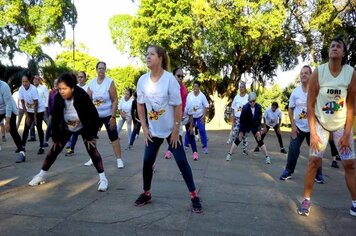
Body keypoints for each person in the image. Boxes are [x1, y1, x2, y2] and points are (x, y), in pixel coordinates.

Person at [134, 45, 202, 213]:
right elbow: (139, 104)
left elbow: (178, 106)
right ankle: (147, 193)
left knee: (181, 161)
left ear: (161, 58)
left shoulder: (170, 80)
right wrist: (144, 126)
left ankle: (194, 196)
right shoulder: (142, 80)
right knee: (147, 161)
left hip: (173, 130)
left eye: (151, 54)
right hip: (154, 131)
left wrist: (176, 130)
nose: (147, 57)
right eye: (147, 54)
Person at [298, 36, 356, 217]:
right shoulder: (319, 71)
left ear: (343, 53)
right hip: (321, 124)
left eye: (338, 46)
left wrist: (347, 133)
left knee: (350, 165)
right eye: (332, 46)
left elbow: (351, 105)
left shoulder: (350, 72)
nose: (334, 48)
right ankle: (306, 201)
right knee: (313, 162)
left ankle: (355, 203)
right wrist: (313, 133)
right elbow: (310, 104)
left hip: (341, 126)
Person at [28, 72, 109, 191]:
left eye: (65, 89)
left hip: (83, 126)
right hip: (66, 126)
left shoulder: (82, 95)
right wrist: (55, 138)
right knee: (54, 149)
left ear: (72, 87)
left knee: (92, 149)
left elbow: (93, 115)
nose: (61, 91)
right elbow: (55, 118)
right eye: (60, 88)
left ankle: (103, 179)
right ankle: (41, 175)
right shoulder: (58, 97)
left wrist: (91, 136)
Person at [279, 66, 324, 182]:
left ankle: (318, 173)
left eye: (306, 73)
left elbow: (321, 109)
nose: (303, 75)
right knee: (293, 149)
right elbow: (290, 109)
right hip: (298, 127)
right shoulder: (295, 92)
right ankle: (288, 170)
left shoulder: (316, 91)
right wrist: (293, 126)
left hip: (313, 128)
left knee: (316, 151)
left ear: (311, 75)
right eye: (301, 73)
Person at [84, 62, 124, 168]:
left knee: (114, 137)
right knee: (91, 137)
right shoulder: (92, 83)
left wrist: (113, 116)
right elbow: (87, 100)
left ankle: (119, 160)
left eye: (103, 68)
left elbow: (115, 100)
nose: (101, 70)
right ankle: (93, 158)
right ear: (96, 69)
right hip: (95, 116)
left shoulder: (109, 82)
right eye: (99, 68)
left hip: (108, 115)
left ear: (105, 70)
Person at [226, 92, 271, 164]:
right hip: (246, 124)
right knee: (239, 138)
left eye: (253, 101)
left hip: (254, 125)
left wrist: (258, 131)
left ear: (255, 100)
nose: (252, 103)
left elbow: (259, 120)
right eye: (250, 101)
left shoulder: (259, 107)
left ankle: (267, 157)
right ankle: (229, 154)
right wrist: (241, 131)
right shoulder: (245, 107)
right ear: (248, 101)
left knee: (259, 139)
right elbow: (242, 120)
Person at [165, 67, 199, 160]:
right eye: (178, 76)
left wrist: (191, 125)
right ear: (173, 76)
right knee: (171, 136)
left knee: (190, 133)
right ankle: (169, 151)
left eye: (182, 76)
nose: (180, 78)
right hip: (175, 117)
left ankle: (195, 152)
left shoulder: (184, 90)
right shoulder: (168, 88)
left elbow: (186, 106)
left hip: (185, 116)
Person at [19, 71, 46, 155]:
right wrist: (27, 116)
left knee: (38, 126)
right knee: (26, 127)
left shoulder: (33, 89)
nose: (24, 83)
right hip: (29, 109)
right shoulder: (21, 89)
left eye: (26, 81)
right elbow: (22, 102)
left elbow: (36, 103)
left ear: (29, 81)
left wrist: (35, 117)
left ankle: (41, 147)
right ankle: (22, 147)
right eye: (23, 81)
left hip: (38, 109)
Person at [0, 79, 26, 162]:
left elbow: (8, 104)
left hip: (9, 108)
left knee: (12, 130)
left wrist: (7, 122)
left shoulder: (4, 86)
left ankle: (21, 150)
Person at [65, 71, 89, 156]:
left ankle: (92, 152)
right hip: (75, 114)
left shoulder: (88, 87)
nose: (80, 79)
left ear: (85, 78)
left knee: (86, 134)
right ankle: (71, 148)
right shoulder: (75, 87)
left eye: (82, 77)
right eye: (79, 77)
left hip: (85, 114)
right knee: (74, 131)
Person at [185, 81, 209, 154]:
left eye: (196, 86)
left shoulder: (202, 96)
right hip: (191, 116)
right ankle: (185, 145)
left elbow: (206, 106)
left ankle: (204, 147)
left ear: (199, 87)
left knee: (202, 130)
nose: (195, 88)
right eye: (194, 86)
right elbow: (186, 106)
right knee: (189, 130)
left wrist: (204, 116)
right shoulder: (189, 95)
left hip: (200, 116)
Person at [227, 82, 249, 155]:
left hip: (245, 119)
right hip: (237, 118)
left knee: (244, 135)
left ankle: (245, 149)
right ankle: (232, 148)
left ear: (245, 88)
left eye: (242, 87)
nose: (241, 88)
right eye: (240, 87)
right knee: (234, 132)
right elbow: (233, 108)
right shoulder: (236, 97)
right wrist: (232, 117)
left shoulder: (247, 97)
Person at [28, 75, 49, 142]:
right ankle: (32, 136)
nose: (35, 80)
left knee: (48, 123)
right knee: (31, 124)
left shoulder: (43, 88)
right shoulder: (31, 89)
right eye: (34, 79)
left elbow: (47, 98)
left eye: (36, 79)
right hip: (34, 110)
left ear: (39, 80)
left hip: (43, 109)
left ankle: (53, 134)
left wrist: (46, 107)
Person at [44, 79, 59, 147]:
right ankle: (46, 141)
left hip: (60, 114)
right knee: (49, 126)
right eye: (55, 83)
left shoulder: (62, 92)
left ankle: (68, 144)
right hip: (52, 113)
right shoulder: (51, 93)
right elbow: (49, 103)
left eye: (57, 83)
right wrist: (50, 113)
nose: (56, 85)